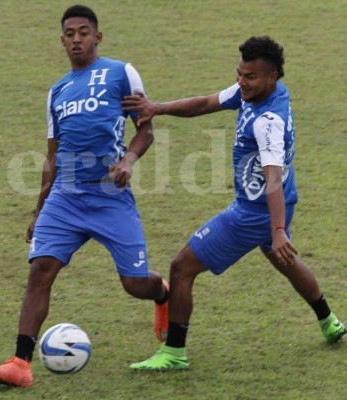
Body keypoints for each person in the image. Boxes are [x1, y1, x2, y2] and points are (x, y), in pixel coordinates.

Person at [121, 36, 346, 371]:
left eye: (250, 77)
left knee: (181, 267)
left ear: (272, 78)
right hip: (281, 198)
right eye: (240, 73)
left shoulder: (268, 121)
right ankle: (329, 321)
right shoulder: (256, 92)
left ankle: (174, 353)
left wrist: (278, 228)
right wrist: (159, 108)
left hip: (255, 211)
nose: (242, 81)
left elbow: (271, 175)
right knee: (283, 259)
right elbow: (205, 103)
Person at [0, 5, 169, 387]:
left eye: (84, 32)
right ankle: (20, 363)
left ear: (98, 37)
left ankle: (162, 293)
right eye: (70, 33)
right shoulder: (58, 91)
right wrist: (38, 210)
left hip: (110, 197)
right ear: (62, 39)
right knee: (40, 271)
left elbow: (145, 130)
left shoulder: (120, 73)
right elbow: (52, 155)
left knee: (134, 285)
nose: (77, 39)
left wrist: (129, 160)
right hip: (65, 198)